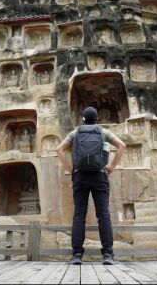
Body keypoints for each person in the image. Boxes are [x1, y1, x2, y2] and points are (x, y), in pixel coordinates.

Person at [56, 107, 127, 266]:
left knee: (79, 215)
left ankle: (77, 255)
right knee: (103, 214)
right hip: (99, 175)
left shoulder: (75, 133)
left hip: (80, 176)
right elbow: (122, 146)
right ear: (96, 119)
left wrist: (71, 170)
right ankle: (108, 254)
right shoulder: (103, 132)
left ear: (83, 119)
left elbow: (59, 149)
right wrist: (111, 167)